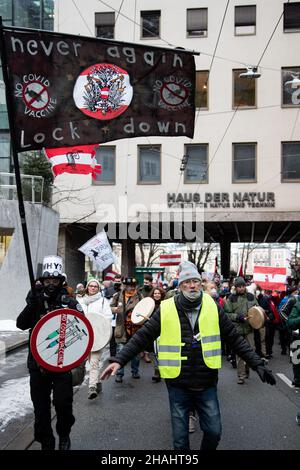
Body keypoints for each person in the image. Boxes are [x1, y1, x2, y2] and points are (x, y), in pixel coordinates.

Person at [101, 261, 276, 450]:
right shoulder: (166, 307)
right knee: (180, 441)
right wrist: (119, 360)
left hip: (206, 382)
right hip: (178, 384)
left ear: (200, 284)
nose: (192, 285)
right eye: (187, 282)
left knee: (214, 432)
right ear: (180, 285)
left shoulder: (212, 306)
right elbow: (142, 337)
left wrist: (257, 364)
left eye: (195, 281)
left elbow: (235, 339)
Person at [16, 255, 83, 450]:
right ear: (42, 282)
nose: (51, 284)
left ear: (60, 281)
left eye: (54, 280)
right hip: (37, 364)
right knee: (41, 409)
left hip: (62, 363)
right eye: (47, 280)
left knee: (63, 405)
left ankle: (64, 434)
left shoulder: (68, 302)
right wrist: (33, 304)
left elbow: (81, 328)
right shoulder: (35, 300)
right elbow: (21, 324)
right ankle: (46, 441)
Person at [78, 278, 113, 399]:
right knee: (88, 361)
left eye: (95, 286)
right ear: (87, 287)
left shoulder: (103, 301)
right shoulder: (80, 301)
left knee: (94, 362)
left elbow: (108, 318)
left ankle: (92, 387)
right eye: (91, 286)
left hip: (98, 336)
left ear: (98, 288)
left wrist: (100, 326)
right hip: (83, 337)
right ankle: (97, 382)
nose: (93, 288)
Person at [224, 276, 259, 384]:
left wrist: (262, 315)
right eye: (239, 286)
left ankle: (247, 369)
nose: (241, 288)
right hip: (237, 330)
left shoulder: (251, 297)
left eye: (243, 286)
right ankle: (241, 375)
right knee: (239, 353)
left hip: (249, 329)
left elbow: (257, 309)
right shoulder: (231, 298)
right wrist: (237, 317)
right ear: (235, 287)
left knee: (250, 351)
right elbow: (227, 314)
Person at [110, 276, 143, 382]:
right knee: (121, 353)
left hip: (135, 329)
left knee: (135, 353)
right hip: (122, 328)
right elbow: (109, 308)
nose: (131, 288)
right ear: (124, 286)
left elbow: (146, 308)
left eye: (133, 286)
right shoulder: (118, 295)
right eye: (129, 286)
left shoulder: (139, 296)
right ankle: (119, 374)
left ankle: (135, 371)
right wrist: (113, 309)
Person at [149, 286, 165, 382]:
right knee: (154, 353)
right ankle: (157, 371)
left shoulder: (165, 305)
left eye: (158, 293)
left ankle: (164, 369)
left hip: (163, 332)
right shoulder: (149, 306)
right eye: (155, 293)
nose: (157, 295)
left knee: (162, 352)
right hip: (153, 332)